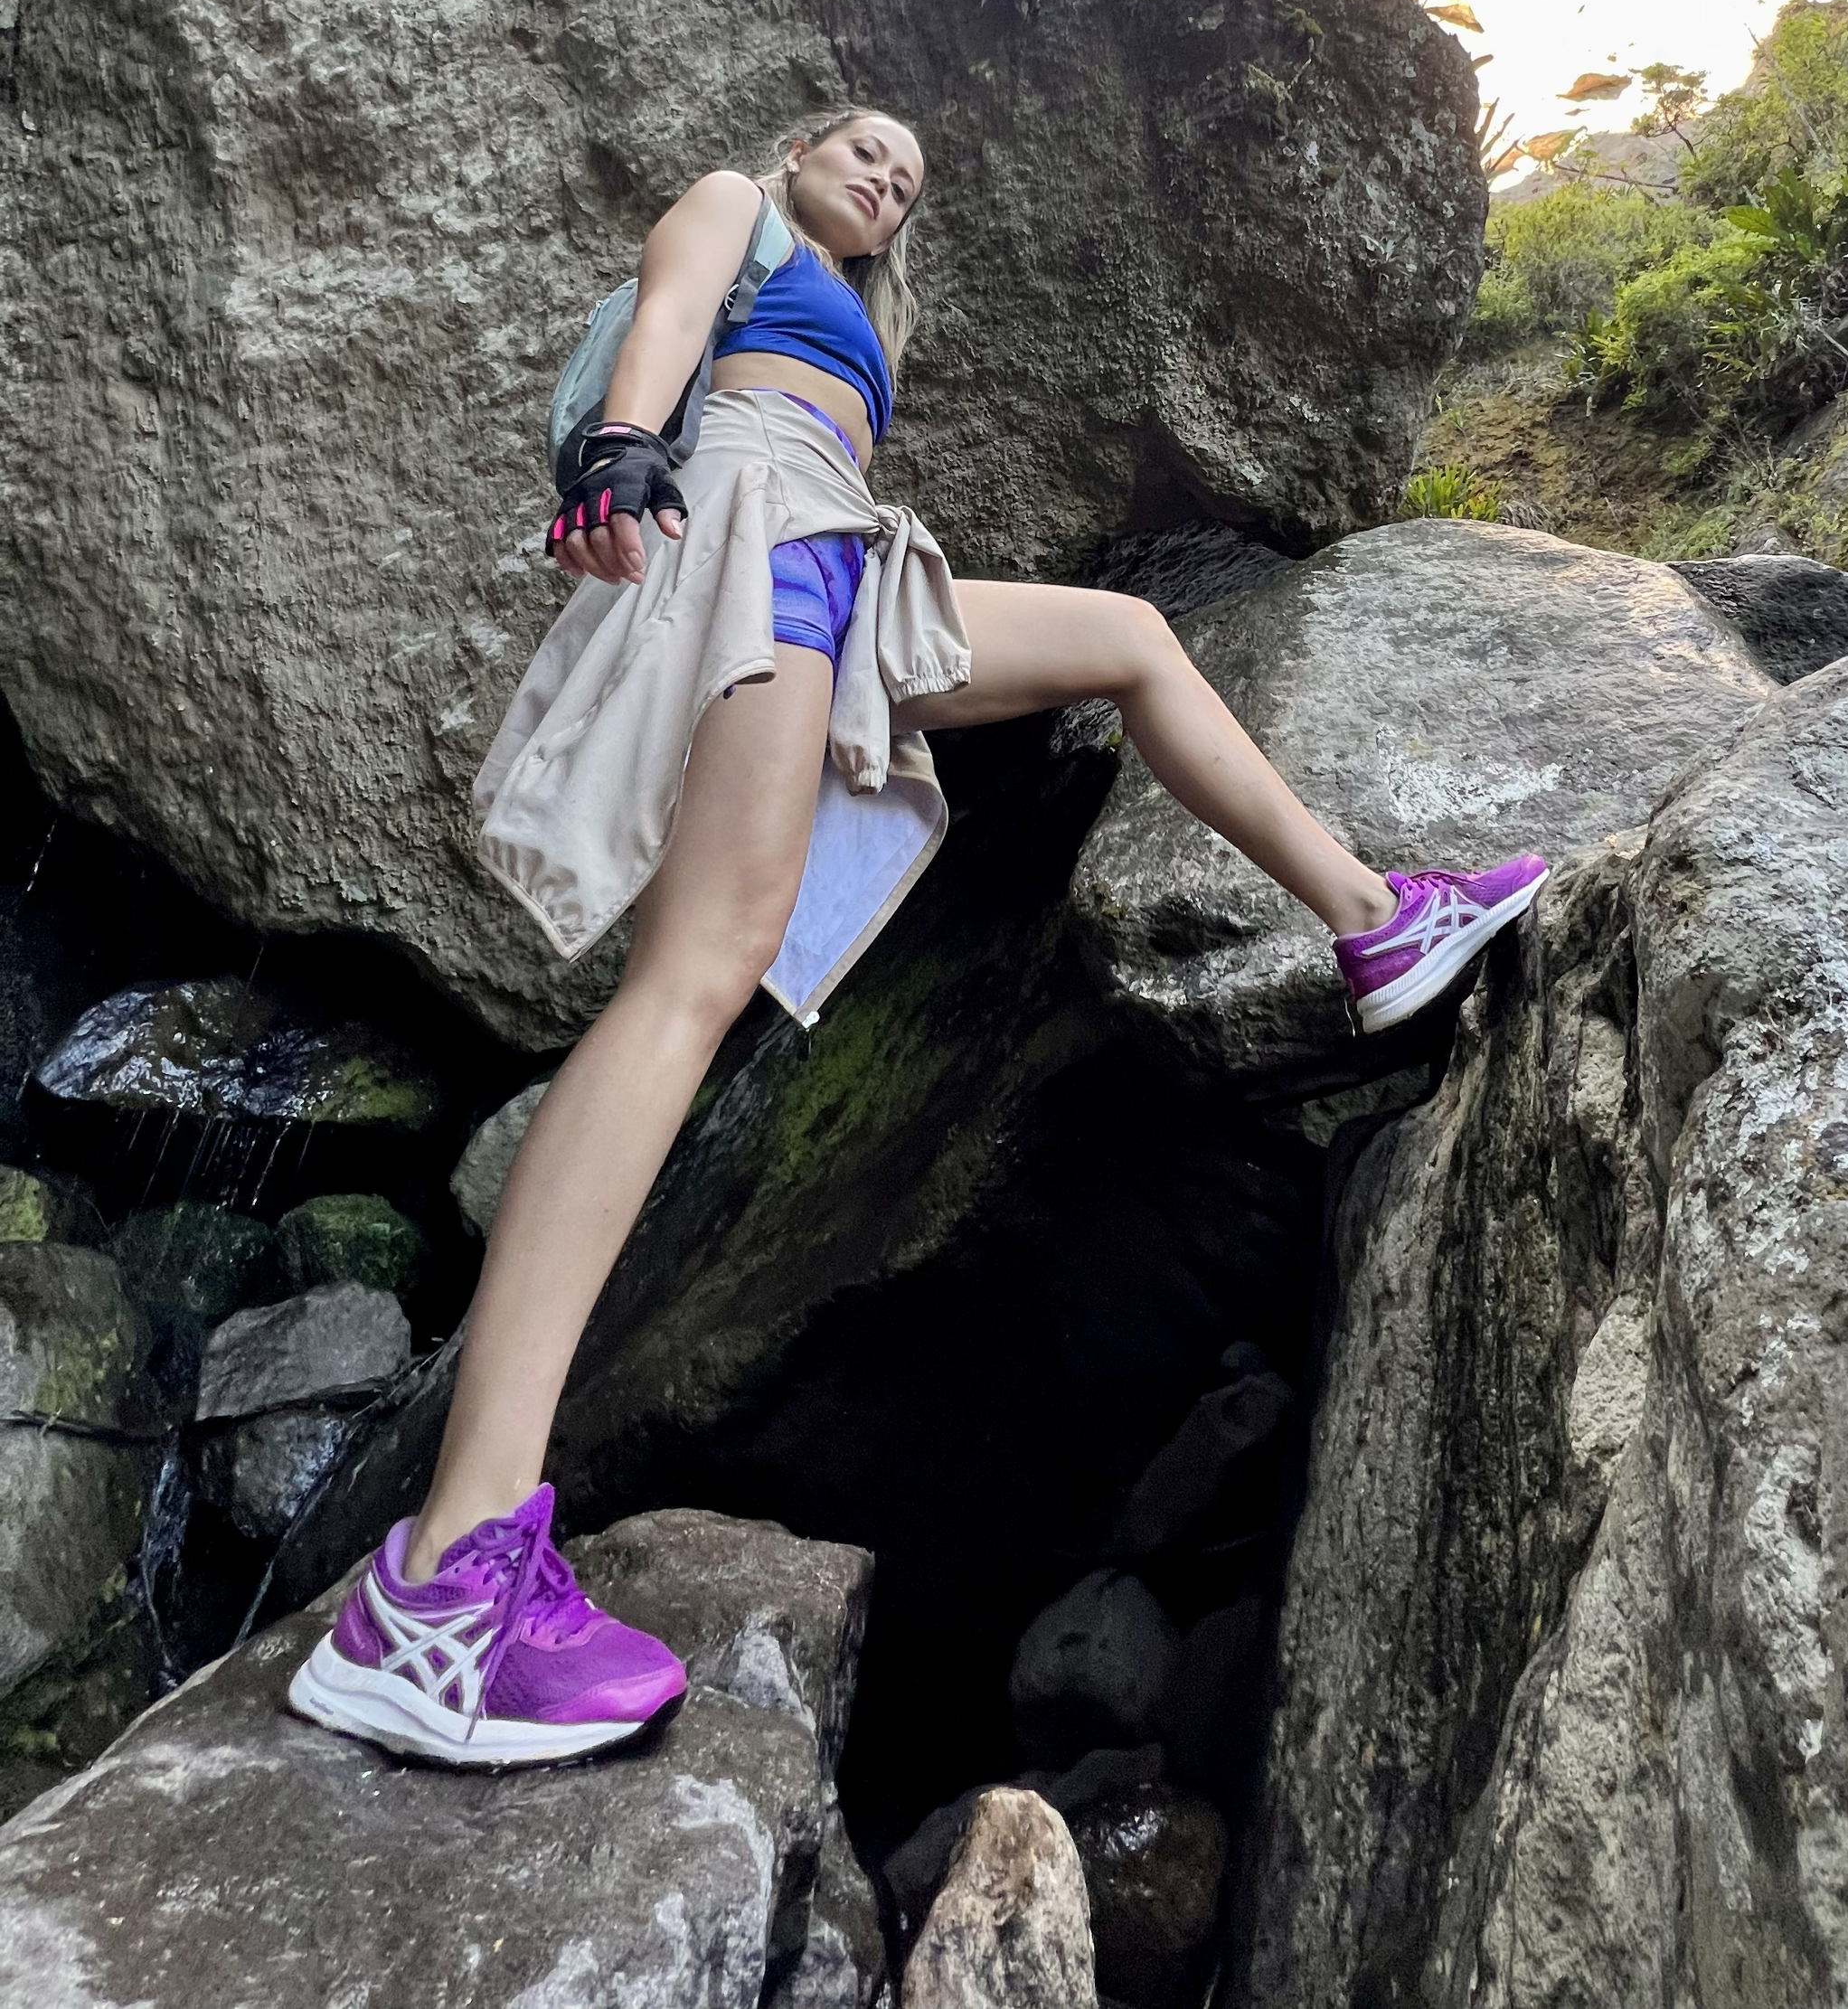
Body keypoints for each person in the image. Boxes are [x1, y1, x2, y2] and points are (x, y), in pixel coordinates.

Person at [288, 108, 1545, 1766]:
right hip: (744, 531)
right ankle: (446, 1578)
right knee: (688, 983)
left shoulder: (865, 317)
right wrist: (621, 449)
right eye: (869, 148)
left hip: (844, 563)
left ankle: (1375, 923)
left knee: (1132, 637)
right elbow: (668, 313)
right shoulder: (738, 206)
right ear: (802, 145)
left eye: (909, 183)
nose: (888, 177)